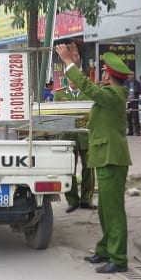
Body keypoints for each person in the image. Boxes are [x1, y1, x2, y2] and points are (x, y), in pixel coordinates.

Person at [55, 44, 132, 274]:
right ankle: (106, 249)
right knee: (105, 210)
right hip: (106, 157)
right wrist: (75, 65)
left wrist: (69, 63)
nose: (101, 76)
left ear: (108, 75)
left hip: (112, 158)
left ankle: (119, 258)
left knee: (114, 210)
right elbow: (89, 88)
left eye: (104, 72)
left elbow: (87, 87)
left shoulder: (113, 95)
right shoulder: (110, 94)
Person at [54, 78, 95, 213]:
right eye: (70, 78)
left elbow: (93, 113)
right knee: (69, 169)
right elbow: (57, 115)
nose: (73, 80)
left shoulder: (87, 93)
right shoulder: (59, 94)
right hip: (68, 135)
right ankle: (72, 200)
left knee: (88, 169)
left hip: (85, 136)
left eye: (75, 77)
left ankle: (86, 200)